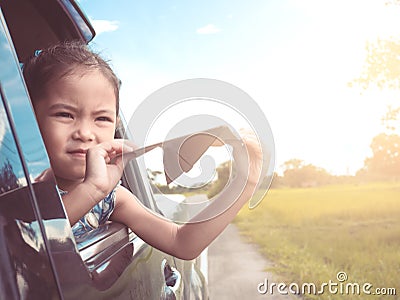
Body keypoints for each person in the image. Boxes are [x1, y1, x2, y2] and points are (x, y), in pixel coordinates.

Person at [23, 41, 263, 260]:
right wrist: (92, 189)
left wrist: (246, 182)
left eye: (102, 119)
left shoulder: (111, 199)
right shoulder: (18, 189)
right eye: (65, 115)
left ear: (116, 125)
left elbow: (181, 243)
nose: (85, 133)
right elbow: (23, 245)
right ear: (30, 120)